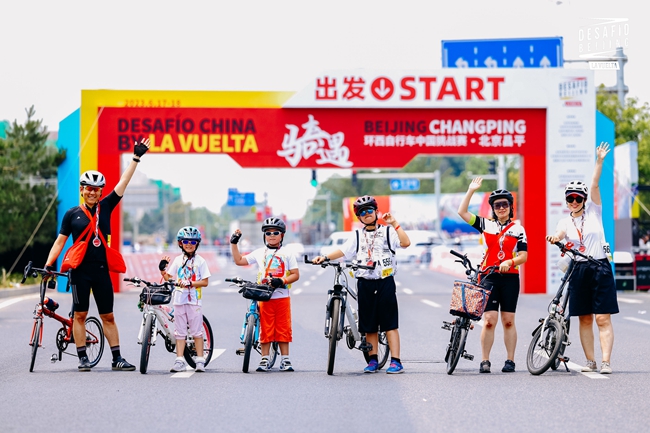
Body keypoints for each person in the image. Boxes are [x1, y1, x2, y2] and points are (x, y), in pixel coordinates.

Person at [44, 138, 150, 371]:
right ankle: (82, 357)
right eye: (88, 189)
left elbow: (123, 182)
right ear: (82, 190)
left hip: (102, 271)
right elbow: (60, 242)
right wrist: (49, 265)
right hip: (80, 272)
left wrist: (135, 158)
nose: (92, 193)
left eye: (96, 189)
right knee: (80, 315)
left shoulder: (107, 206)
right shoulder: (72, 214)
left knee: (108, 317)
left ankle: (117, 359)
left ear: (101, 191)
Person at [313, 195, 411, 374]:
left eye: (370, 211)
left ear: (376, 212)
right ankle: (372, 360)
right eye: (362, 212)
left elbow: (405, 243)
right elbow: (343, 251)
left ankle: (396, 361)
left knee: (390, 324)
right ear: (359, 217)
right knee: (369, 325)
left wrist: (394, 223)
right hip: (365, 283)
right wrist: (325, 257)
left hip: (385, 282)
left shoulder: (388, 232)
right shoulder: (357, 235)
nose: (367, 214)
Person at [546, 142, 618, 374]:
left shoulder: (595, 212)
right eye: (570, 198)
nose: (574, 202)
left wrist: (599, 161)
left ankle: (605, 361)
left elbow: (595, 183)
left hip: (600, 267)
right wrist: (554, 237)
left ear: (585, 199)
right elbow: (559, 233)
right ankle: (591, 361)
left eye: (578, 198)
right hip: (579, 269)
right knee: (584, 319)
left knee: (602, 319)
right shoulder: (566, 221)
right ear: (566, 201)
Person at [457, 179, 528, 373]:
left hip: (510, 277)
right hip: (488, 276)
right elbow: (462, 213)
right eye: (498, 205)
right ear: (493, 208)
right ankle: (485, 360)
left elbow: (523, 255)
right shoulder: (485, 225)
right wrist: (471, 190)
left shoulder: (518, 229)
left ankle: (510, 360)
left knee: (508, 321)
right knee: (489, 320)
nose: (502, 208)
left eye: (505, 204)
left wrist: (510, 262)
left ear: (510, 207)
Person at [230, 217, 300, 372]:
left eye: (276, 232)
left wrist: (281, 280)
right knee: (266, 329)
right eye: (268, 233)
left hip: (282, 296)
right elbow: (239, 260)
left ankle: (285, 360)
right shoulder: (259, 252)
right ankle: (264, 359)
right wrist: (234, 243)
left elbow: (295, 274)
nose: (272, 235)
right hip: (264, 296)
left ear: (282, 235)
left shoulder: (287, 253)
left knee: (283, 328)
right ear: (264, 235)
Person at [160, 226, 211, 372]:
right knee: (179, 332)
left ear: (197, 244)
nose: (189, 244)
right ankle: (179, 360)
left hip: (194, 301)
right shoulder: (177, 260)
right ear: (180, 243)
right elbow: (170, 278)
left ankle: (200, 360)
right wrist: (163, 270)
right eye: (186, 241)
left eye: (193, 242)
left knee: (196, 331)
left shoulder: (201, 261)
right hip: (179, 300)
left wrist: (190, 283)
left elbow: (205, 282)